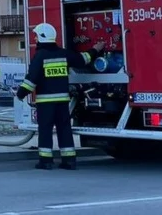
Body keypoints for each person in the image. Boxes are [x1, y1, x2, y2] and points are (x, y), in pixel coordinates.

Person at [17, 23, 105, 170]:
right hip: (63, 101)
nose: (35, 38)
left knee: (45, 130)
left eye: (36, 36)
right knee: (64, 130)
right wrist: (95, 49)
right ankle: (69, 161)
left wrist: (20, 94)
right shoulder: (64, 53)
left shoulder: (40, 56)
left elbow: (31, 80)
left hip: (46, 102)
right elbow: (83, 59)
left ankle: (46, 161)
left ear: (41, 37)